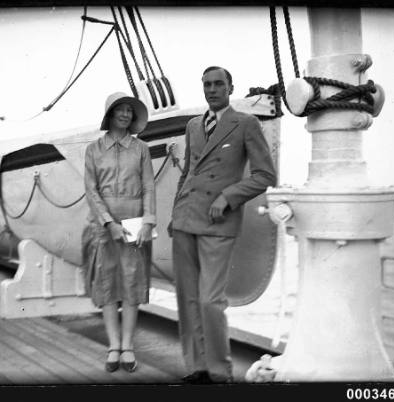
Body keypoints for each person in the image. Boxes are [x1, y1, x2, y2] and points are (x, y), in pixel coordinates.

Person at [168, 66, 277, 384]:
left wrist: (228, 197)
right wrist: (176, 212)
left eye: (218, 84)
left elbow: (265, 176)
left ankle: (219, 372)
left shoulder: (246, 124)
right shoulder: (192, 125)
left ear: (231, 87)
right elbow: (188, 170)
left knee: (210, 301)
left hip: (218, 222)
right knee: (187, 299)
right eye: (206, 84)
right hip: (185, 221)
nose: (212, 89)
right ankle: (197, 367)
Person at [82, 92, 155, 373]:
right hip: (103, 226)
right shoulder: (93, 149)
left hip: (135, 222)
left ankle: (128, 346)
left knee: (133, 284)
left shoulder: (141, 149)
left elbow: (149, 186)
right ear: (110, 114)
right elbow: (91, 189)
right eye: (120, 110)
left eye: (129, 111)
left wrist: (148, 221)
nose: (125, 114)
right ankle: (113, 345)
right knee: (108, 283)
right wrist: (108, 223)